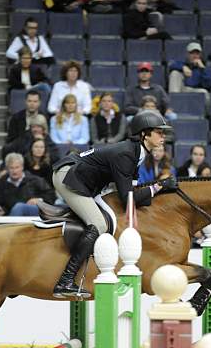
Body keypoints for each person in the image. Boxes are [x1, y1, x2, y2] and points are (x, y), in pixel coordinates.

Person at [51, 110, 177, 297]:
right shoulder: (126, 154)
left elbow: (132, 193)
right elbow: (128, 198)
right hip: (68, 177)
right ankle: (65, 280)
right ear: (144, 134)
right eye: (159, 132)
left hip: (84, 179)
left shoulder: (136, 153)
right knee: (99, 224)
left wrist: (155, 188)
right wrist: (159, 186)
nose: (163, 136)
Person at [0, 152, 55, 217]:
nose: (14, 171)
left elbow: (51, 195)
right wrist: (1, 209)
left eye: (17, 167)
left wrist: (39, 200)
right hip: (13, 214)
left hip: (35, 213)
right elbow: (0, 202)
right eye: (11, 168)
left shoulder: (35, 180)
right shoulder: (3, 183)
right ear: (7, 169)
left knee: (20, 207)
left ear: (22, 167)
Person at [168, 42, 211, 106]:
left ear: (200, 55)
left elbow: (208, 85)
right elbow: (171, 65)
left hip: (194, 90)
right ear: (187, 54)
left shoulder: (204, 68)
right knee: (175, 73)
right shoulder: (182, 63)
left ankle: (206, 114)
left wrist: (202, 68)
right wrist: (183, 67)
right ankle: (173, 105)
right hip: (181, 89)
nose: (195, 56)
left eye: (197, 53)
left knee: (204, 92)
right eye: (192, 53)